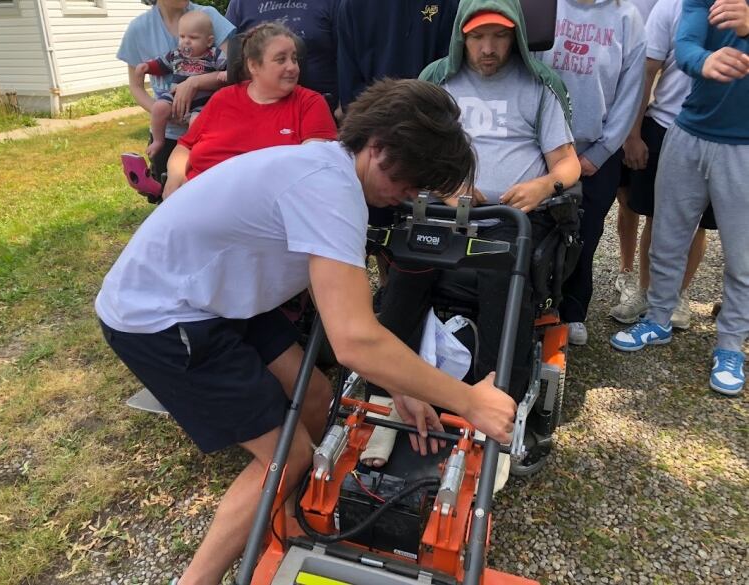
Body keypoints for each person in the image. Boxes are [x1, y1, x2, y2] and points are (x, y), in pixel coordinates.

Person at [96, 78, 517, 585]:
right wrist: (470, 403)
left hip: (214, 294)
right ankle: (198, 579)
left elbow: (335, 295)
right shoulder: (331, 191)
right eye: (410, 181)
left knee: (315, 395)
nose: (411, 194)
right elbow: (354, 339)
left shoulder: (327, 160)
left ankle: (285, 520)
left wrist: (402, 386)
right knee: (286, 457)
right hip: (160, 315)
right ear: (378, 147)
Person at [362, 0, 580, 468]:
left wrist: (544, 185)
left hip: (512, 216)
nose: (487, 48)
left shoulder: (540, 85)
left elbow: (567, 163)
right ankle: (384, 403)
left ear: (516, 36)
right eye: (478, 37)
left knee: (506, 280)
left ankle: (493, 407)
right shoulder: (437, 78)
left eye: (499, 37)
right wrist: (444, 184)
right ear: (462, 35)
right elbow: (410, 148)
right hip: (444, 209)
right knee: (402, 281)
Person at [610, 0, 749, 397]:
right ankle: (657, 319)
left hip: (743, 146)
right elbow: (685, 44)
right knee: (667, 238)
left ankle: (730, 346)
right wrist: (703, 62)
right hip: (687, 133)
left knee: (742, 258)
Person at [537, 0, 647, 345]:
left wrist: (599, 154)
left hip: (597, 153)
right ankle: (532, 305)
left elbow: (630, 95)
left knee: (583, 235)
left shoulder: (627, 18)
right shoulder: (543, 7)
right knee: (536, 228)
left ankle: (573, 310)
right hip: (543, 148)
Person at [336, 0, 461, 290]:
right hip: (377, 134)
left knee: (425, 228)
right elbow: (350, 84)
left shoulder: (447, 4)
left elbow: (449, 70)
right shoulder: (353, 7)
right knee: (377, 226)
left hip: (429, 130)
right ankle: (385, 289)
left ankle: (423, 297)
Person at [609, 0, 717, 328]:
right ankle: (646, 290)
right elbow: (647, 71)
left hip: (722, 135)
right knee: (657, 216)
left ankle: (678, 294)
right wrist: (634, 131)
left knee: (697, 222)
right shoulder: (671, 7)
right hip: (669, 124)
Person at [161, 22, 338, 198]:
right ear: (253, 66)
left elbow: (312, 165)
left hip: (260, 209)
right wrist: (175, 177)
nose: (292, 67)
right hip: (194, 197)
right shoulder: (223, 98)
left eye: (294, 58)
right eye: (281, 59)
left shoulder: (310, 103)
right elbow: (185, 146)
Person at [117, 0, 235, 182]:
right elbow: (136, 86)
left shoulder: (207, 16)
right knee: (170, 196)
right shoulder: (139, 28)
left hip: (209, 128)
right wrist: (163, 112)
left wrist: (194, 83)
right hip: (168, 132)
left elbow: (233, 73)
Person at [134, 11, 226, 158]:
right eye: (182, 36)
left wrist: (225, 73)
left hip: (202, 103)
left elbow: (229, 69)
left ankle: (192, 148)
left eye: (193, 37)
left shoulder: (214, 55)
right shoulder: (176, 55)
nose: (186, 41)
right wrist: (147, 67)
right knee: (158, 107)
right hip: (174, 98)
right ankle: (158, 140)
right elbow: (160, 65)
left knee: (197, 122)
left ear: (208, 41)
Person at [614, 0, 658, 296]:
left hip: (656, 112)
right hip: (618, 105)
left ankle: (649, 286)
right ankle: (626, 269)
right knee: (626, 198)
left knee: (659, 207)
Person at [226, 0, 340, 107]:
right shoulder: (240, 4)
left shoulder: (331, 3)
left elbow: (345, 56)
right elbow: (230, 58)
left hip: (321, 102)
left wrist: (342, 104)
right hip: (253, 105)